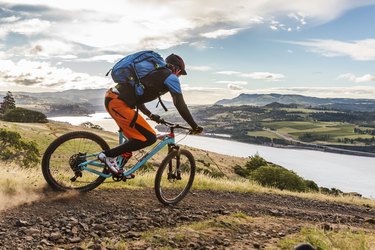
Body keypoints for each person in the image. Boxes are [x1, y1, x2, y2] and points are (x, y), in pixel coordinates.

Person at [98, 53, 203, 176]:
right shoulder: (170, 78)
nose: (179, 76)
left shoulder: (151, 75)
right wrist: (194, 126)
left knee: (133, 140)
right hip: (118, 103)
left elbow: (138, 100)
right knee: (149, 138)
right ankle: (107, 156)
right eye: (180, 73)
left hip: (113, 99)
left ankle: (117, 167)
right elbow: (180, 104)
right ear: (176, 68)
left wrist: (151, 115)